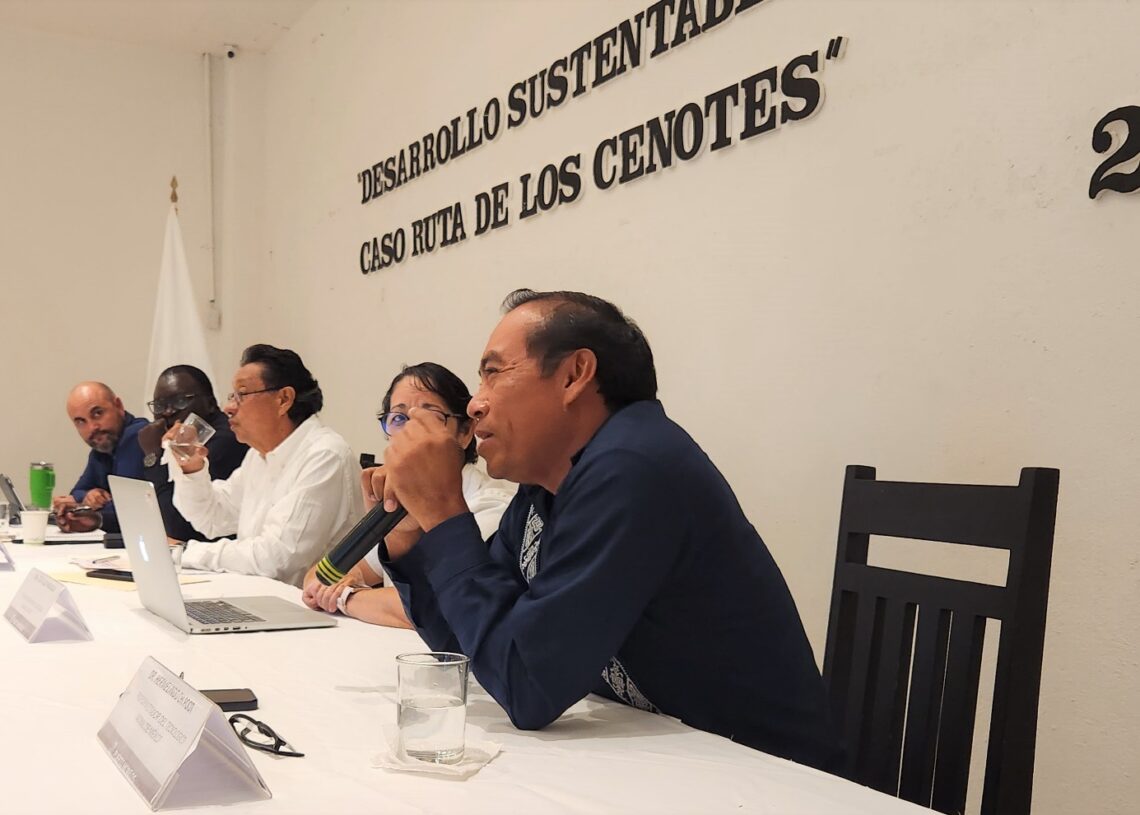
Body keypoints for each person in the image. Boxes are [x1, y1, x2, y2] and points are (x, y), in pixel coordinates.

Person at [370, 289, 844, 771]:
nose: (475, 404)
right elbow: (472, 647)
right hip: (669, 761)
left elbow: (526, 687)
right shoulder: (546, 488)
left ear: (574, 375)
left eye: (493, 373)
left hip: (767, 774)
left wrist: (446, 513)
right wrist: (410, 538)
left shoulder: (633, 466)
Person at [301, 362, 516, 627]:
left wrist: (347, 597)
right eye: (399, 419)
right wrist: (347, 582)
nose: (410, 432)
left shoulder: (492, 505)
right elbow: (319, 578)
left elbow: (440, 609)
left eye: (429, 418)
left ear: (465, 432)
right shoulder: (399, 501)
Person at [165, 344, 362, 587]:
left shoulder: (325, 455)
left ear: (283, 399)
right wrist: (192, 468)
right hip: (259, 595)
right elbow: (213, 518)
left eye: (242, 394)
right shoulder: (258, 456)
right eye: (232, 396)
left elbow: (277, 559)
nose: (228, 407)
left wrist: (185, 551)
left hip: (306, 605)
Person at [137, 365, 248, 542]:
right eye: (160, 405)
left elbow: (177, 527)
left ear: (210, 403)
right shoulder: (179, 439)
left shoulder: (225, 440)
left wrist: (153, 456)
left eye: (180, 401)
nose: (167, 412)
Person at [53, 382, 148, 533]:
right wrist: (87, 496)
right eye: (81, 421)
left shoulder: (138, 435)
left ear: (119, 406)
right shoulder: (102, 447)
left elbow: (129, 509)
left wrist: (87, 508)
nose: (92, 428)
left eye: (97, 413)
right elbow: (77, 492)